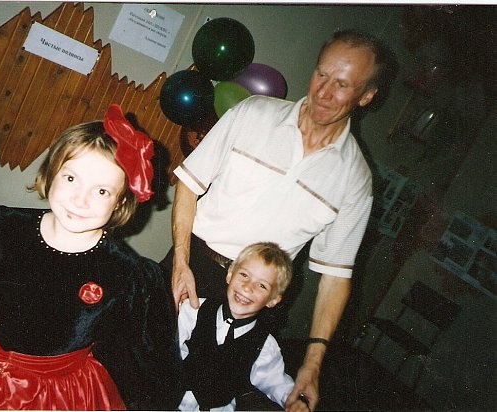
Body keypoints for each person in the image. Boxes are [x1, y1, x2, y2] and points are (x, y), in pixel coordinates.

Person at [161, 29, 394, 412]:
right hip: (192, 267)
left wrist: (313, 364)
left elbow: (335, 277)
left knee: (208, 398)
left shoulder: (355, 179)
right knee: (139, 373)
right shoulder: (254, 112)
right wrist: (180, 262)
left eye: (341, 84)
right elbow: (188, 184)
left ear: (366, 96)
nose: (323, 92)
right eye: (321, 75)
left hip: (257, 298)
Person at [0, 104, 180, 410]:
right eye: (71, 179)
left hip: (56, 394)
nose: (80, 200)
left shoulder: (128, 276)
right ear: (52, 173)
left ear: (120, 201)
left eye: (101, 192)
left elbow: (147, 362)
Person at [177, 242, 294, 411]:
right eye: (244, 275)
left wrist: (294, 400)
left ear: (273, 300)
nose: (247, 287)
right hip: (172, 400)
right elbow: (168, 350)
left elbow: (277, 383)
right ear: (230, 275)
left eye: (262, 285)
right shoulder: (194, 310)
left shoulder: (264, 345)